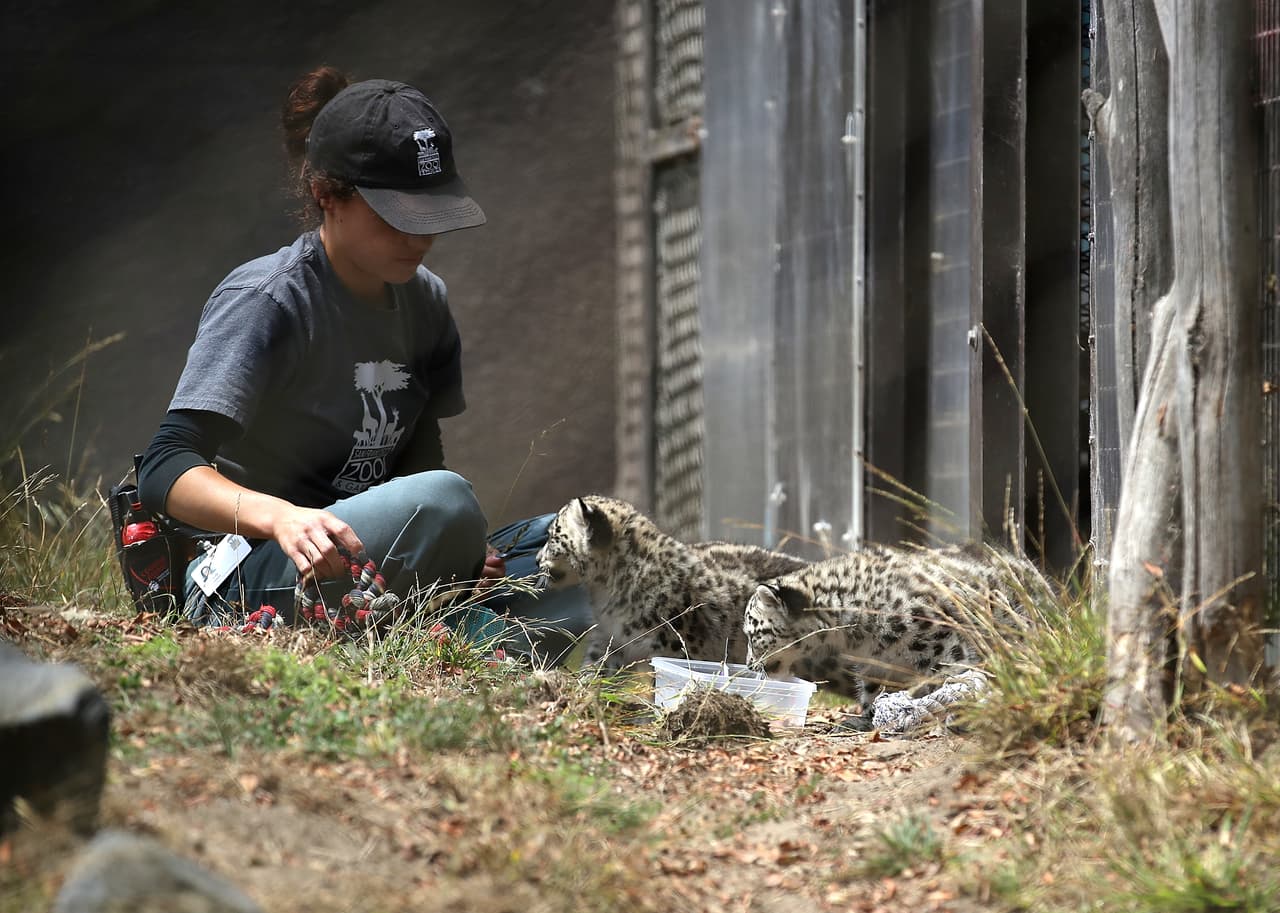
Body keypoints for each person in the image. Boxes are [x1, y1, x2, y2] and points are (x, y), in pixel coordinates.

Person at [137, 66, 588, 662]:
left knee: (586, 545)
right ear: (328, 195)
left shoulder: (425, 300)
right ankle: (468, 647)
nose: (419, 237)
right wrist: (281, 519)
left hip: (377, 567)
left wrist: (464, 553)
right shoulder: (269, 298)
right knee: (448, 502)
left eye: (432, 213)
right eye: (397, 214)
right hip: (250, 574)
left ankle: (452, 640)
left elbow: (420, 458)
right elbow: (166, 467)